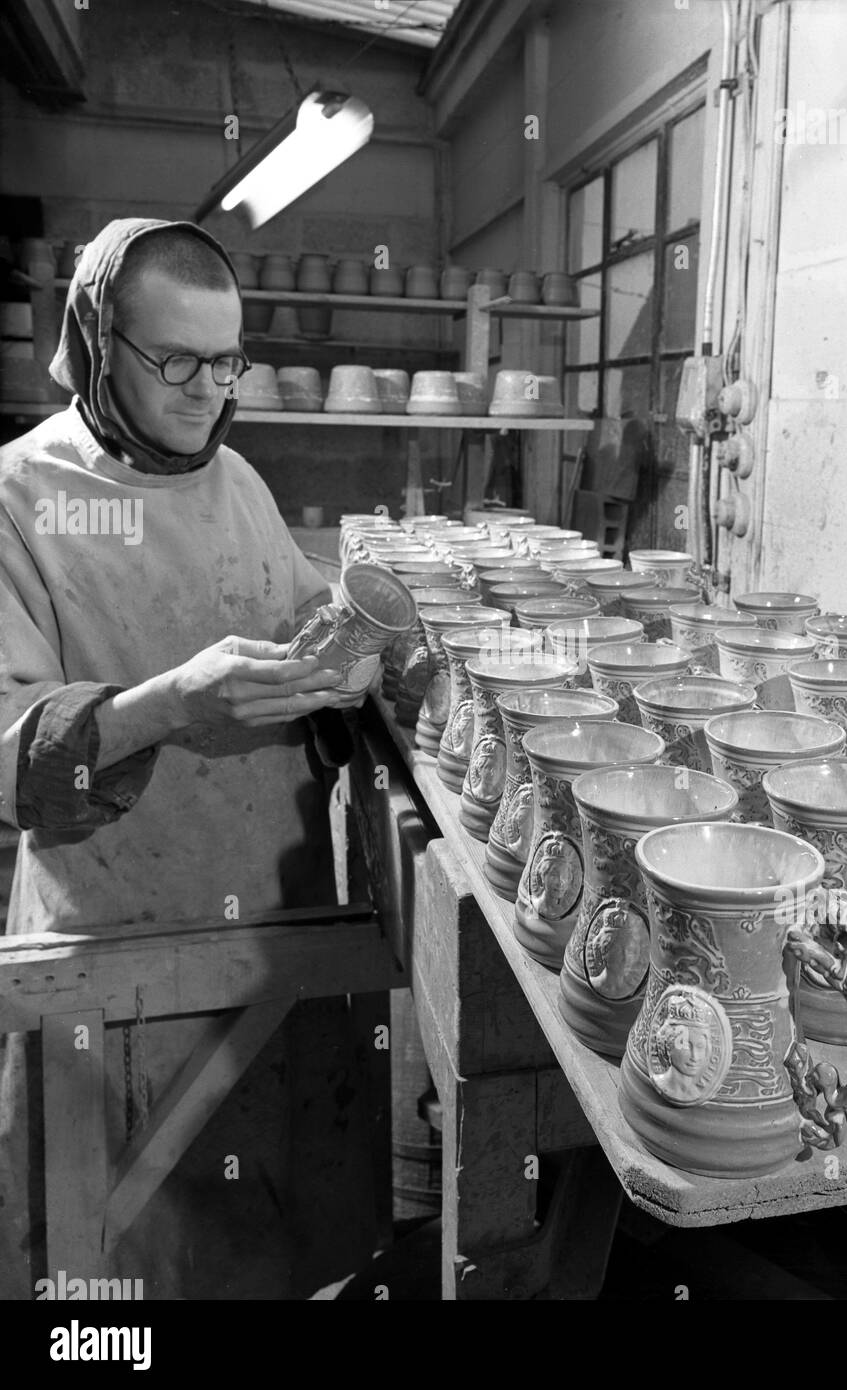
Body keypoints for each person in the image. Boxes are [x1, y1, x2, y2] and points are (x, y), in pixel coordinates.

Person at [0, 218, 378, 1299]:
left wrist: (348, 660)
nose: (207, 391)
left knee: (271, 1244)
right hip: (119, 947)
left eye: (227, 362)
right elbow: (11, 751)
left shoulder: (238, 481)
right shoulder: (21, 500)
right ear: (93, 342)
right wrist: (168, 704)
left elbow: (303, 614)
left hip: (272, 931)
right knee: (118, 1267)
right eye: (175, 360)